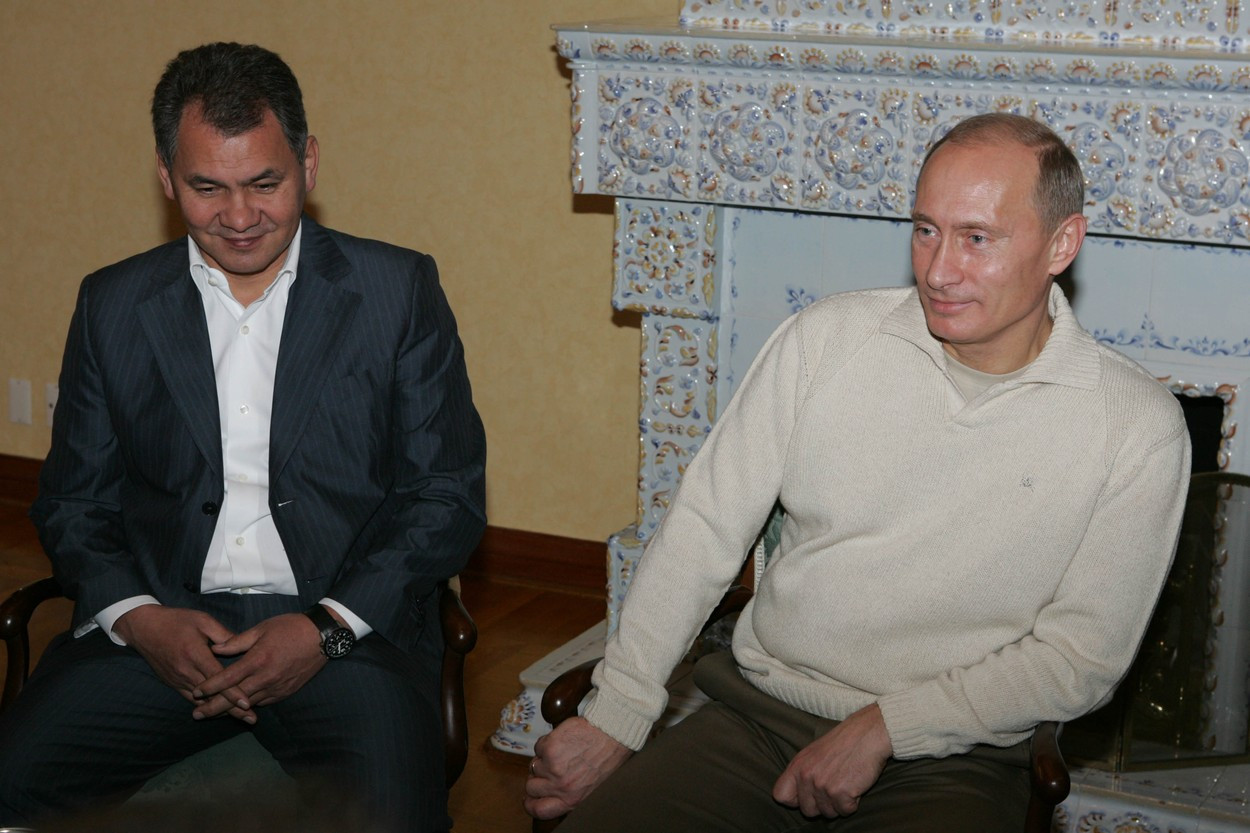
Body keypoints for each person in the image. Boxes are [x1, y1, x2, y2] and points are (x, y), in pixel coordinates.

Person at [524, 113, 1191, 831]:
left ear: (1063, 243)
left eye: (977, 238)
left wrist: (887, 727)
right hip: (757, 718)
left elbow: (1078, 658)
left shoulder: (1135, 426)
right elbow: (702, 531)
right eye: (926, 230)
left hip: (953, 757)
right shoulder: (826, 341)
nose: (939, 270)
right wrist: (617, 713)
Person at [0, 42, 486, 833]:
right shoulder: (112, 305)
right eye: (207, 187)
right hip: (163, 632)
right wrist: (141, 618)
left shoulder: (396, 292)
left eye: (265, 183)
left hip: (342, 637)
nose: (238, 216)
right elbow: (72, 504)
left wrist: (324, 627)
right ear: (166, 177)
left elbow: (445, 496)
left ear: (308, 163)